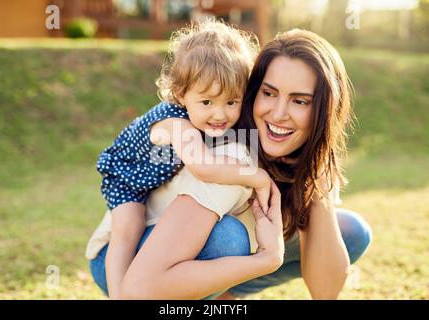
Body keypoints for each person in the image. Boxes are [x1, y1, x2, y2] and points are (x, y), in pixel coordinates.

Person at [87, 28, 372, 300]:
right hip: (129, 262)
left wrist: (314, 185)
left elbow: (325, 294)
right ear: (253, 92)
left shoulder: (303, 157)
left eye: (300, 101)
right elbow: (138, 288)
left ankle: (220, 296)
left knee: (350, 231)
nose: (279, 113)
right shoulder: (234, 156)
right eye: (269, 93)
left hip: (173, 258)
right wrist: (265, 261)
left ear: (324, 111)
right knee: (228, 239)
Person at [93, 19, 272, 299]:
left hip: (147, 177)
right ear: (181, 94)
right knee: (128, 227)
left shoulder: (203, 120)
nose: (220, 114)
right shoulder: (177, 124)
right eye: (207, 102)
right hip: (126, 177)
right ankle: (120, 295)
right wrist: (256, 177)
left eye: (231, 102)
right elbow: (202, 167)